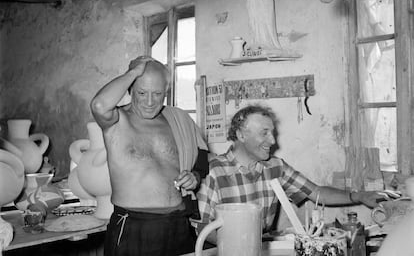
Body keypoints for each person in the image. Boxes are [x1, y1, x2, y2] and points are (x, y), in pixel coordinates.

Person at [197, 104, 386, 243]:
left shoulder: (275, 167)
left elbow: (317, 192)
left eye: (273, 133)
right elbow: (203, 228)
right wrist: (240, 246)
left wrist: (359, 196)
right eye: (264, 133)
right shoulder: (213, 171)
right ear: (241, 135)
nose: (272, 141)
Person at [90, 56, 209, 256]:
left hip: (178, 225)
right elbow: (99, 105)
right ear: (130, 89)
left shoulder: (177, 121)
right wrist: (133, 72)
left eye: (157, 94)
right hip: (134, 228)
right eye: (142, 93)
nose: (150, 102)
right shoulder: (118, 121)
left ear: (166, 92)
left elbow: (201, 159)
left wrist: (194, 177)